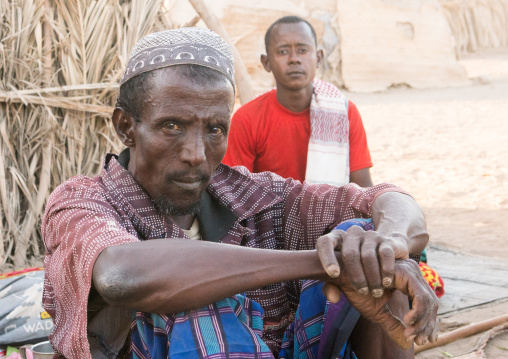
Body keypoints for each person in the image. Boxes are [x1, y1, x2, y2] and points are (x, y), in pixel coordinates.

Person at [41, 27, 438, 359]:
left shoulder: (254, 194)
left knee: (370, 248)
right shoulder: (83, 202)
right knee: (197, 301)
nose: (197, 154)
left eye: (214, 129)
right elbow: (121, 273)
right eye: (172, 127)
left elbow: (390, 200)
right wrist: (329, 263)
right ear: (127, 127)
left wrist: (385, 250)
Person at [223, 16, 374, 187]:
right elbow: (234, 192)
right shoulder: (247, 119)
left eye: (302, 50)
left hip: (334, 212)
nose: (294, 59)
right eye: (282, 51)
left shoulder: (344, 113)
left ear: (318, 58)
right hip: (268, 213)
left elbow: (363, 188)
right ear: (267, 63)